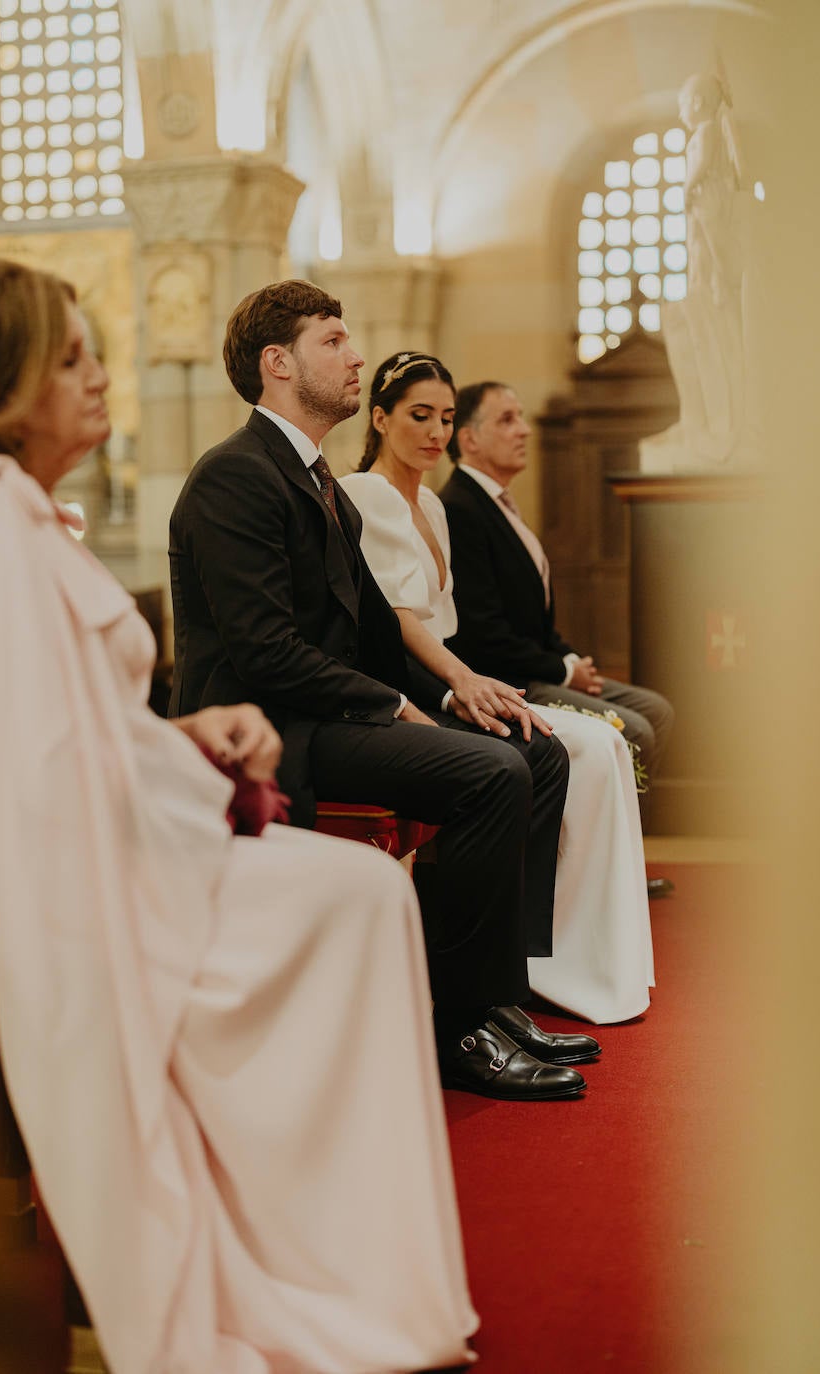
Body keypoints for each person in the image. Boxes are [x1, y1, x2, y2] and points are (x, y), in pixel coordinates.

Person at [0, 256, 480, 1374]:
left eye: (95, 353)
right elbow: (26, 773)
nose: (98, 376)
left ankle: (340, 1259)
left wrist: (183, 745)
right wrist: (190, 789)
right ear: (0, 377)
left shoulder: (13, 513)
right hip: (75, 882)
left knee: (361, 896)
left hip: (113, 829)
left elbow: (69, 730)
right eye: (69, 357)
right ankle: (318, 1263)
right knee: (359, 896)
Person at [169, 280, 601, 1101]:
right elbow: (265, 654)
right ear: (278, 364)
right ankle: (456, 1026)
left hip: (329, 711)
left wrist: (454, 691)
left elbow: (373, 628)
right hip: (273, 729)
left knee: (528, 750)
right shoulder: (234, 477)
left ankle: (494, 996)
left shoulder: (319, 479)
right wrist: (393, 707)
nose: (355, 354)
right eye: (333, 340)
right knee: (488, 774)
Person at [342, 352, 654, 1024]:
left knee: (595, 743)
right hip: (405, 685)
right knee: (539, 745)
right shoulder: (365, 491)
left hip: (447, 673)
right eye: (418, 415)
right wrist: (459, 689)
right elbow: (396, 624)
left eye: (445, 419)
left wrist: (474, 683)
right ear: (379, 417)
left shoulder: (428, 499)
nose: (434, 432)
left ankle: (574, 952)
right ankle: (519, 962)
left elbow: (446, 623)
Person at [442, 381, 675, 895]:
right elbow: (483, 634)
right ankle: (613, 882)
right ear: (469, 438)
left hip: (542, 666)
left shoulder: (500, 504)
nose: (524, 429)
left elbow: (536, 620)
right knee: (634, 726)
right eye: (506, 419)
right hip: (513, 682)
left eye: (521, 416)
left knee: (655, 709)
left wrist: (570, 657)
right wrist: (566, 672)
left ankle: (624, 859)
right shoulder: (460, 507)